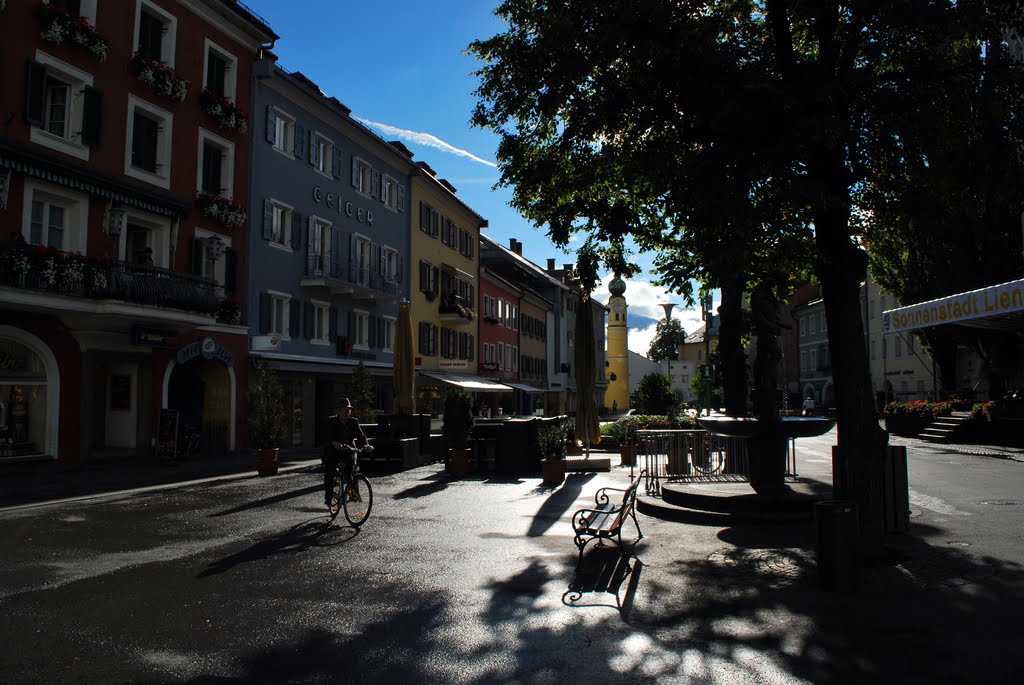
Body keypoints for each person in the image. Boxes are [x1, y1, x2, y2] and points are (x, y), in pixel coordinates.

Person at [323, 397, 373, 505]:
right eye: (344, 410)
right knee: (329, 473)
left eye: (348, 410)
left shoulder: (354, 422)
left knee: (351, 470)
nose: (347, 412)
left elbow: (361, 436)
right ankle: (328, 498)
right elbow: (327, 436)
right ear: (338, 411)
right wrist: (333, 442)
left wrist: (366, 445)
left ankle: (353, 493)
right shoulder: (332, 421)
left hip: (348, 450)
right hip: (334, 451)